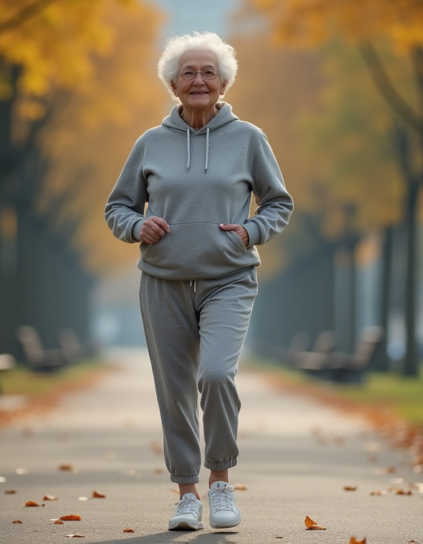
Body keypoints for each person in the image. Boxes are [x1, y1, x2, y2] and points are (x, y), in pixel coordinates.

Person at [104, 32, 293, 531]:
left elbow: (279, 202)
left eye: (208, 72)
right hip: (163, 282)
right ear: (172, 83)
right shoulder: (150, 143)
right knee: (176, 391)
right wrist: (134, 225)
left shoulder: (249, 138)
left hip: (228, 278)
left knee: (215, 374)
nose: (199, 81)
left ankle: (221, 482)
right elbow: (116, 207)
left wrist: (251, 231)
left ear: (225, 82)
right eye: (188, 72)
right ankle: (187, 493)